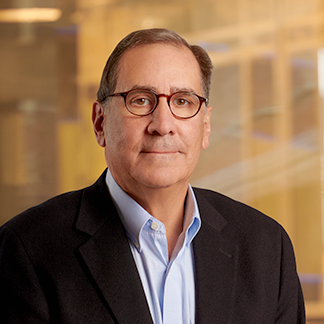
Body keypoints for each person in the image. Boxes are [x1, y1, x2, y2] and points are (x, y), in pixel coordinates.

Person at [0, 28, 305, 324]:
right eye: (141, 100)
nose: (162, 124)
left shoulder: (265, 247)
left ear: (205, 126)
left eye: (182, 101)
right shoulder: (27, 249)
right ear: (100, 122)